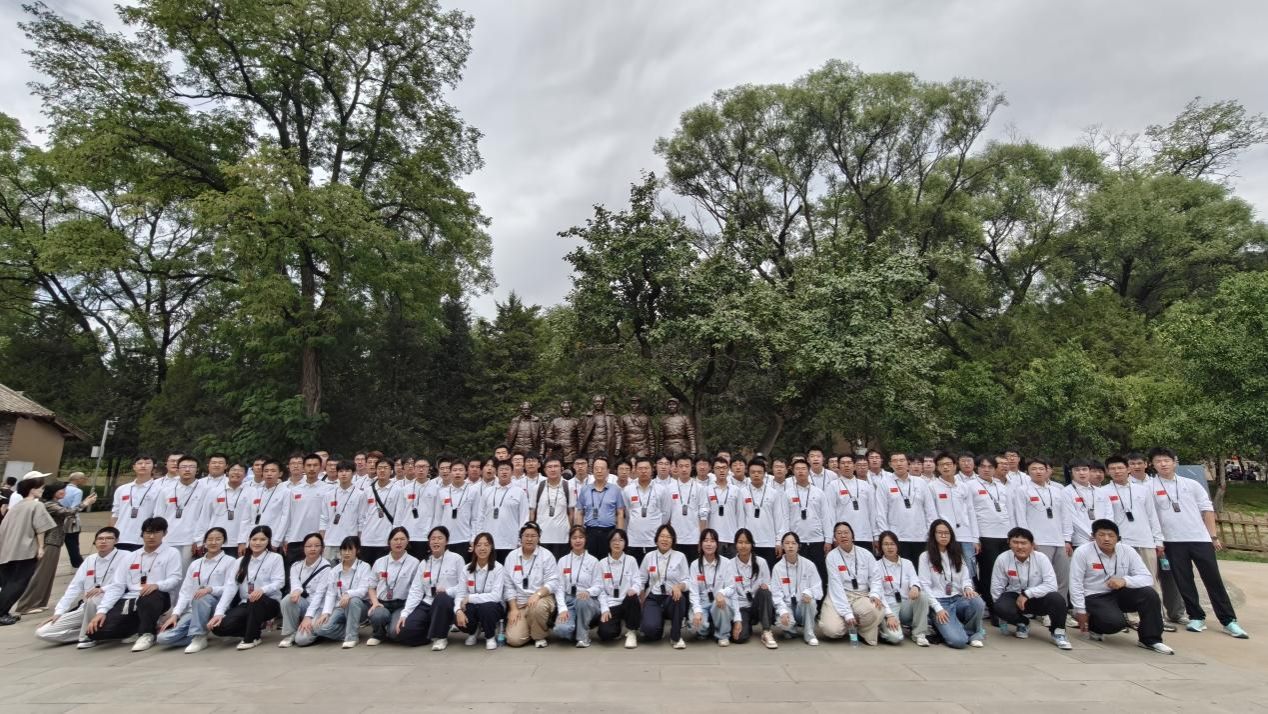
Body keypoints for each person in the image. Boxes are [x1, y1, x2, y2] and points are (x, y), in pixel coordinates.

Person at [1148, 448, 1248, 638]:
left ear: (1174, 462)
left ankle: (1228, 620)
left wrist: (1213, 536)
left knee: (1213, 579)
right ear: (1152, 464)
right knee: (1184, 581)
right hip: (1172, 541)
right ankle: (1196, 616)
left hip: (1199, 539)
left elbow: (1207, 509)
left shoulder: (1191, 484)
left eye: (1166, 460)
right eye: (1158, 461)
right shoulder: (1150, 487)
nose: (1163, 464)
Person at [1071, 519, 1174, 654]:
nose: (1106, 539)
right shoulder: (1082, 552)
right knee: (1115, 624)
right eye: (1101, 535)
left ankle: (1150, 639)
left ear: (1118, 538)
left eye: (1111, 535)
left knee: (1149, 594)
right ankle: (1095, 625)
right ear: (1093, 536)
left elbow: (1147, 578)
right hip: (1094, 596)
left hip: (1119, 592)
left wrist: (1125, 581)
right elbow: (1075, 582)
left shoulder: (1127, 551)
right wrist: (1080, 610)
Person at [85, 517, 183, 650]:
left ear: (164, 533)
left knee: (149, 596)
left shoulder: (171, 553)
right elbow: (118, 585)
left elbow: (175, 579)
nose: (151, 536)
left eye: (156, 532)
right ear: (142, 534)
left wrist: (157, 585)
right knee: (95, 633)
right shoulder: (131, 556)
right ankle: (136, 628)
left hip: (158, 598)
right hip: (130, 600)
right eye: (148, 532)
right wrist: (101, 612)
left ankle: (147, 634)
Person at [17, 480, 97, 614]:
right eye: (61, 489)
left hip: (54, 541)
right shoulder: (49, 504)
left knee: (47, 574)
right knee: (41, 574)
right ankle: (26, 605)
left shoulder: (52, 503)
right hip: (49, 542)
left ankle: (39, 602)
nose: (64, 492)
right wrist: (85, 503)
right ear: (53, 491)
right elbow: (67, 512)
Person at [35, 527, 120, 646]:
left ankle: (89, 636)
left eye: (109, 538)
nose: (103, 541)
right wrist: (59, 611)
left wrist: (103, 589)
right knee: (42, 632)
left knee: (94, 598)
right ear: (95, 541)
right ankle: (94, 632)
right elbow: (74, 587)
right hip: (86, 607)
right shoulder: (90, 560)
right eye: (100, 539)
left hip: (112, 605)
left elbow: (124, 584)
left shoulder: (125, 557)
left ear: (116, 541)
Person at [990, 527, 1072, 650]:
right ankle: (1022, 622)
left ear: (1032, 545)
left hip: (1038, 597)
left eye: (1024, 543)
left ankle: (1058, 632)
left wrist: (1027, 594)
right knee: (1000, 606)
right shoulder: (1003, 558)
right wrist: (1003, 613)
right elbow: (997, 586)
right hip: (1014, 596)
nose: (1019, 547)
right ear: (1009, 543)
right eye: (1015, 542)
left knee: (1057, 599)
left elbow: (1051, 585)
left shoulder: (1041, 558)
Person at [155, 527, 234, 652]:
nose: (213, 542)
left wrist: (210, 589)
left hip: (216, 608)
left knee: (201, 596)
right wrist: (176, 614)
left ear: (224, 541)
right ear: (204, 542)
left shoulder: (230, 562)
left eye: (218, 539)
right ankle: (199, 633)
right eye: (210, 539)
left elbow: (231, 589)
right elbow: (185, 592)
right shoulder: (195, 564)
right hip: (193, 610)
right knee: (162, 638)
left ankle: (199, 636)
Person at [208, 525, 285, 649]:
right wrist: (219, 613)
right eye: (254, 539)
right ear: (249, 540)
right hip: (246, 604)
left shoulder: (275, 558)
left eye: (262, 539)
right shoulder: (240, 561)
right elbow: (230, 588)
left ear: (268, 541)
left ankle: (251, 638)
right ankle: (254, 629)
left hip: (268, 603)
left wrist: (262, 590)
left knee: (256, 599)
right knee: (217, 627)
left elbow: (279, 582)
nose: (258, 543)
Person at [0, 475, 59, 625]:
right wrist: (40, 548)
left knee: (8, 582)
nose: (42, 490)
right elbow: (41, 528)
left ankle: (4, 611)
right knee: (19, 583)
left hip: (7, 550)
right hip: (24, 550)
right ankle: (1, 613)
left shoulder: (17, 506)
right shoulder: (36, 505)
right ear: (32, 489)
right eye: (41, 488)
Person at [917, 519, 985, 649]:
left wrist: (967, 588)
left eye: (947, 533)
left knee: (977, 601)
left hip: (957, 599)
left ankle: (972, 634)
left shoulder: (957, 554)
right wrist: (938, 608)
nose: (943, 536)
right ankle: (941, 626)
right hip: (940, 603)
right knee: (958, 641)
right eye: (940, 533)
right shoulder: (925, 556)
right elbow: (924, 586)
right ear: (933, 535)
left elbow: (965, 578)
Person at [297, 536, 372, 648]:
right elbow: (331, 594)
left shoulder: (364, 567)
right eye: (344, 549)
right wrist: (326, 613)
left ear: (357, 550)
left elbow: (363, 590)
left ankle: (352, 637)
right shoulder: (335, 570)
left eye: (350, 549)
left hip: (358, 607)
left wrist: (348, 594)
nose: (347, 553)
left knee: (353, 601)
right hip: (339, 607)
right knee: (319, 627)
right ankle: (349, 630)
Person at [396, 526, 465, 650]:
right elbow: (416, 590)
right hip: (428, 602)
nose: (436, 541)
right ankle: (431, 634)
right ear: (429, 542)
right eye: (433, 539)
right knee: (405, 631)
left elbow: (463, 586)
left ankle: (441, 637)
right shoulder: (425, 563)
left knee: (442, 597)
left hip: (447, 603)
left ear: (447, 541)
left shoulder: (456, 559)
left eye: (440, 538)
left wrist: (448, 591)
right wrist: (405, 613)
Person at [819, 521, 885, 645]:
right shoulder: (831, 557)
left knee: (877, 609)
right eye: (839, 533)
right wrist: (847, 613)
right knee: (831, 630)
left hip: (861, 595)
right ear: (835, 538)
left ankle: (860, 629)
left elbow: (875, 578)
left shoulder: (866, 554)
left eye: (846, 532)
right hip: (838, 595)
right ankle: (848, 622)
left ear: (853, 536)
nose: (843, 536)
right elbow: (836, 586)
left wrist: (875, 594)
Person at [503, 522, 561, 648]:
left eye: (533, 536)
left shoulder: (546, 555)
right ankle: (531, 628)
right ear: (521, 538)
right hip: (520, 605)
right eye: (526, 535)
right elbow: (508, 586)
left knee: (537, 607)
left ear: (539, 538)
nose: (529, 539)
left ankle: (539, 636)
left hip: (541, 599)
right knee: (514, 640)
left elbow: (553, 582)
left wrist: (538, 594)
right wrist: (513, 609)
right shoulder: (511, 557)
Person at [637, 524, 695, 649]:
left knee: (680, 599)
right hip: (654, 598)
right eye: (662, 536)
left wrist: (679, 587)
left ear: (673, 540)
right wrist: (641, 598)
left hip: (671, 598)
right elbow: (641, 579)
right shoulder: (649, 557)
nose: (665, 539)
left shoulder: (680, 557)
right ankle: (658, 627)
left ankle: (676, 637)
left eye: (668, 537)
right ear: (656, 539)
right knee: (649, 630)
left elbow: (688, 581)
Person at [152, 456, 211, 571]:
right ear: (178, 469)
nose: (187, 469)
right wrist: (158, 537)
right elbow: (158, 516)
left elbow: (206, 517)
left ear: (197, 470)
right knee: (164, 571)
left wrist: (199, 540)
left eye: (191, 467)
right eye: (184, 467)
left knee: (186, 573)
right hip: (167, 539)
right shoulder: (166, 490)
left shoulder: (206, 490)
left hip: (190, 541)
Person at [875, 530, 932, 646]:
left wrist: (915, 587)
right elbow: (878, 593)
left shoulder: (907, 563)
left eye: (892, 544)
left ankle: (919, 634)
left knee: (922, 596)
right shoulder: (877, 566)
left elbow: (915, 579)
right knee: (895, 638)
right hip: (889, 607)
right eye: (886, 544)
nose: (889, 547)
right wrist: (889, 615)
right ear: (880, 547)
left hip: (906, 604)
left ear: (897, 545)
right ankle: (882, 630)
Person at [366, 526, 420, 646]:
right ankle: (378, 634)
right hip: (382, 603)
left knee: (394, 633)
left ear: (407, 541)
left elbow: (416, 589)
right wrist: (375, 603)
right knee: (378, 615)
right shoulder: (380, 562)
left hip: (401, 604)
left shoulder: (414, 563)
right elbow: (371, 586)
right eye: (395, 539)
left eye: (402, 539)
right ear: (389, 541)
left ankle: (390, 628)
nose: (399, 542)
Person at [878, 454, 935, 563]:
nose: (899, 463)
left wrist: (931, 533)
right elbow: (881, 512)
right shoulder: (884, 483)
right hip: (897, 537)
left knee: (921, 568)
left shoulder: (920, 482)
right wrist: (885, 536)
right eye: (895, 461)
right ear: (890, 464)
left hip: (921, 536)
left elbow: (930, 510)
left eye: (902, 460)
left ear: (908, 463)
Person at [453, 532, 505, 650]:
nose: (482, 548)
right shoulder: (466, 569)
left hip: (493, 607)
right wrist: (458, 611)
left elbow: (496, 596)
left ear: (491, 547)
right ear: (474, 548)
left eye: (486, 545)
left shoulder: (498, 568)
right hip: (472, 607)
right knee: (462, 611)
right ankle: (472, 632)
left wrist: (470, 598)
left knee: (486, 608)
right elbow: (460, 594)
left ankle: (490, 636)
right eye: (479, 545)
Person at [724, 528, 775, 646]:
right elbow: (729, 592)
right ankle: (746, 625)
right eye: (740, 542)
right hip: (740, 607)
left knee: (765, 591)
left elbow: (770, 585)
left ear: (752, 544)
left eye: (747, 542)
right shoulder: (729, 564)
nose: (743, 546)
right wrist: (737, 620)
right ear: (735, 544)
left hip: (757, 606)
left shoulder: (761, 562)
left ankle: (766, 631)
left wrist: (767, 586)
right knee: (739, 638)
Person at [551, 525, 601, 648]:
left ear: (585, 539)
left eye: (581, 537)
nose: (578, 540)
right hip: (569, 601)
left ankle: (583, 637)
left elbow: (599, 585)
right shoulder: (563, 561)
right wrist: (562, 609)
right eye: (574, 538)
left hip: (588, 601)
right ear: (570, 540)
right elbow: (559, 587)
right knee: (561, 630)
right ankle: (576, 629)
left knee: (582, 601)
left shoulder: (593, 561)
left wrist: (588, 592)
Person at [278, 533, 330, 647]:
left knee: (302, 640)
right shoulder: (296, 566)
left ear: (322, 548)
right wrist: (297, 591)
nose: (313, 549)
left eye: (317, 546)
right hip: (304, 604)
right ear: (303, 548)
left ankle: (317, 631)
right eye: (309, 546)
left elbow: (319, 595)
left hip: (318, 608)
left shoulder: (326, 567)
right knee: (288, 599)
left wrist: (308, 617)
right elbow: (295, 584)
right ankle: (291, 633)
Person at [769, 532, 821, 646]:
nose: (790, 546)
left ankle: (809, 634)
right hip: (787, 606)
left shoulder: (809, 565)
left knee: (811, 602)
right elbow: (776, 594)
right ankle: (790, 630)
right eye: (787, 543)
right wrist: (783, 611)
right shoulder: (777, 568)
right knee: (785, 624)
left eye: (793, 543)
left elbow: (818, 587)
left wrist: (809, 593)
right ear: (782, 546)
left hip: (802, 605)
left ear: (799, 546)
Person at [595, 528, 642, 648]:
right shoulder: (602, 563)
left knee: (633, 597)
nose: (617, 543)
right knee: (605, 634)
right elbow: (600, 590)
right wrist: (605, 609)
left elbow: (638, 582)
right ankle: (617, 627)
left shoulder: (631, 560)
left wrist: (634, 589)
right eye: (614, 540)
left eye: (621, 540)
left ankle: (631, 632)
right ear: (609, 543)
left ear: (625, 543)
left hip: (627, 602)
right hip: (611, 604)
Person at [474, 460, 528, 564]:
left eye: (507, 469)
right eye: (501, 469)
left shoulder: (519, 492)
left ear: (512, 472)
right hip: (489, 542)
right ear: (496, 472)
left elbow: (524, 518)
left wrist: (520, 539)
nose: (504, 472)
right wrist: (479, 537)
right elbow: (480, 516)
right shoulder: (487, 492)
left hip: (511, 542)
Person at [576, 456, 626, 559]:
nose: (599, 471)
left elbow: (620, 513)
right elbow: (580, 512)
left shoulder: (615, 490)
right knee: (589, 561)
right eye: (596, 468)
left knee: (607, 561)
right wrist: (579, 532)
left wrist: (619, 534)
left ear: (608, 471)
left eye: (602, 468)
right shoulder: (585, 490)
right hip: (590, 532)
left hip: (609, 532)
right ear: (592, 471)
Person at [688, 528, 731, 645]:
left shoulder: (726, 563)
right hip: (702, 604)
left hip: (719, 602)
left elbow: (731, 587)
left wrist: (722, 593)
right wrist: (697, 611)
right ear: (701, 544)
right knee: (695, 626)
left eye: (712, 541)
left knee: (722, 603)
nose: (709, 544)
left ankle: (722, 634)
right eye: (705, 540)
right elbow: (693, 592)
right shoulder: (694, 565)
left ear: (717, 544)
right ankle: (707, 628)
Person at [529, 457, 575, 559]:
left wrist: (571, 531)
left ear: (562, 469)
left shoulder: (568, 487)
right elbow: (532, 512)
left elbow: (571, 513)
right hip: (542, 537)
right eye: (549, 467)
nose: (553, 469)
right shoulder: (537, 488)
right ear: (545, 470)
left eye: (556, 466)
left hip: (562, 537)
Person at [111, 456, 159, 552]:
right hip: (121, 538)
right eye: (140, 463)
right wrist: (111, 535)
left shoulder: (159, 489)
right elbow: (115, 514)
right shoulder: (122, 489)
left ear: (154, 467)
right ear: (134, 467)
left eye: (147, 463)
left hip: (143, 539)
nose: (143, 465)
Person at [60, 472, 89, 568]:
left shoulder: (62, 489)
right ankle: (77, 563)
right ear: (78, 479)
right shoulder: (78, 491)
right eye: (83, 478)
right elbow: (75, 508)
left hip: (59, 517)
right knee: (73, 543)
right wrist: (86, 503)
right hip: (71, 521)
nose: (85, 480)